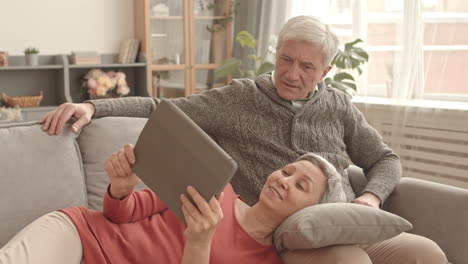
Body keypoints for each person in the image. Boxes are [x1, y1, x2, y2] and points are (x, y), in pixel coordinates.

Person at [39, 15, 447, 263]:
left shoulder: (338, 105)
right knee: (348, 261)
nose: (291, 74)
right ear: (276, 53)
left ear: (325, 70)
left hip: (340, 216)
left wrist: (370, 198)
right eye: (285, 59)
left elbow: (385, 159)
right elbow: (166, 108)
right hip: (285, 232)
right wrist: (95, 107)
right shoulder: (240, 98)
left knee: (424, 253)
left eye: (306, 67)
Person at [0, 145, 346, 264]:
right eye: (286, 171)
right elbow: (123, 213)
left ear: (311, 211)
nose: (283, 180)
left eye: (300, 185)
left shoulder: (265, 261)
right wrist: (122, 189)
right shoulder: (217, 188)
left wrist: (199, 243)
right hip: (80, 235)